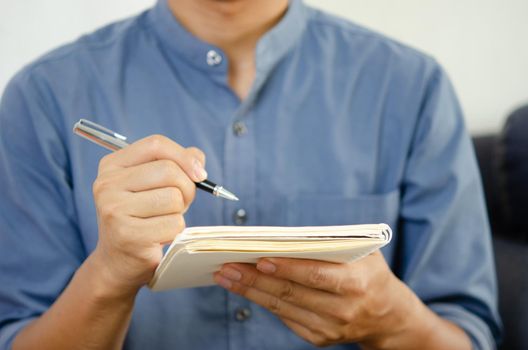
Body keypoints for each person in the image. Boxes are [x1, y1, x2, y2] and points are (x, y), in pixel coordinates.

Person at [0, 0, 501, 349]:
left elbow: (469, 334)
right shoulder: (44, 97)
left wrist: (392, 323)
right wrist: (108, 275)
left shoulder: (413, 88)